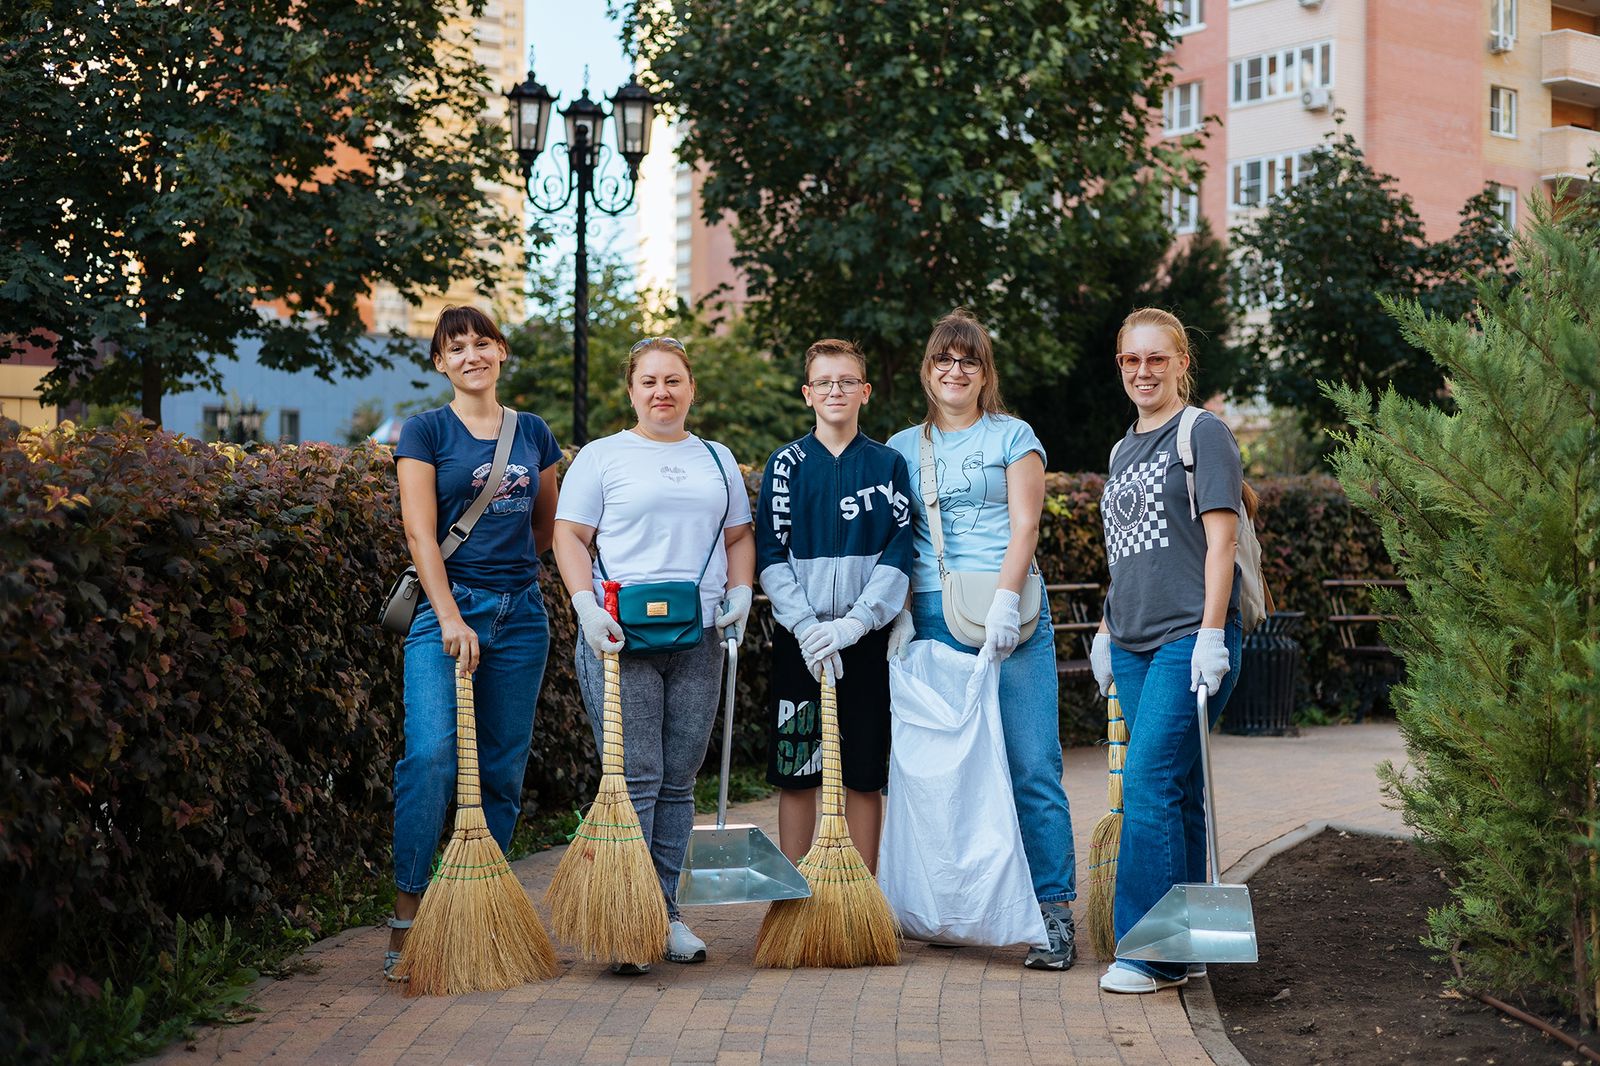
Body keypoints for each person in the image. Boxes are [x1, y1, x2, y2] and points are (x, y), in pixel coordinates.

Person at [552, 336, 755, 974]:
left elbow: (739, 535)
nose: (661, 392)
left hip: (698, 637)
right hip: (619, 636)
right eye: (649, 381)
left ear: (691, 388)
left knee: (676, 781)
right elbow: (569, 535)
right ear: (632, 391)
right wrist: (585, 607)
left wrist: (743, 591)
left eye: (673, 380)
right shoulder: (603, 457)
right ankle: (626, 919)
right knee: (635, 777)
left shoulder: (718, 460)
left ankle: (665, 914)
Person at [885, 308, 1079, 971]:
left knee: (1031, 765)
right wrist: (901, 611)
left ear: (984, 372)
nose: (955, 370)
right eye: (944, 359)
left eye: (969, 360)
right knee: (947, 772)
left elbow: (1026, 525)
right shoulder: (903, 447)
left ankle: (1053, 914)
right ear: (927, 370)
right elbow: (897, 538)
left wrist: (1004, 598)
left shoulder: (1013, 436)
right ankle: (954, 907)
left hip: (1011, 614)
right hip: (934, 617)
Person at [387, 306, 563, 981]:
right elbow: (421, 534)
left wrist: (511, 586)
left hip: (520, 617)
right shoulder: (425, 430)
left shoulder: (534, 433)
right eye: (454, 347)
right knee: (431, 758)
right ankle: (407, 916)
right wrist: (453, 613)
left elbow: (545, 527)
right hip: (444, 614)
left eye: (481, 343)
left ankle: (475, 913)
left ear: (501, 351)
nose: (470, 355)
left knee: (499, 771)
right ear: (440, 362)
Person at [1091, 307, 1245, 994]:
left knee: (1150, 781)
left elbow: (1222, 541)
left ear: (1183, 362)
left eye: (1157, 358)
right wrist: (1102, 628)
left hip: (1190, 636)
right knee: (1177, 793)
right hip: (1131, 642)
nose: (1143, 371)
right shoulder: (1123, 449)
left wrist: (1214, 630)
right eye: (1131, 360)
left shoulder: (1202, 433)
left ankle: (1147, 954)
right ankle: (1188, 948)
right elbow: (1124, 556)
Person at [756, 338, 914, 873]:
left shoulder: (889, 465)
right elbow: (771, 552)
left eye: (847, 381)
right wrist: (804, 627)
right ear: (807, 393)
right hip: (799, 645)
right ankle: (795, 897)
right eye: (824, 382)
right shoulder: (786, 464)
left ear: (865, 392)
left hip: (863, 642)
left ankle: (862, 895)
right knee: (799, 766)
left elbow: (899, 552)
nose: (835, 390)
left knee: (863, 770)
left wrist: (856, 623)